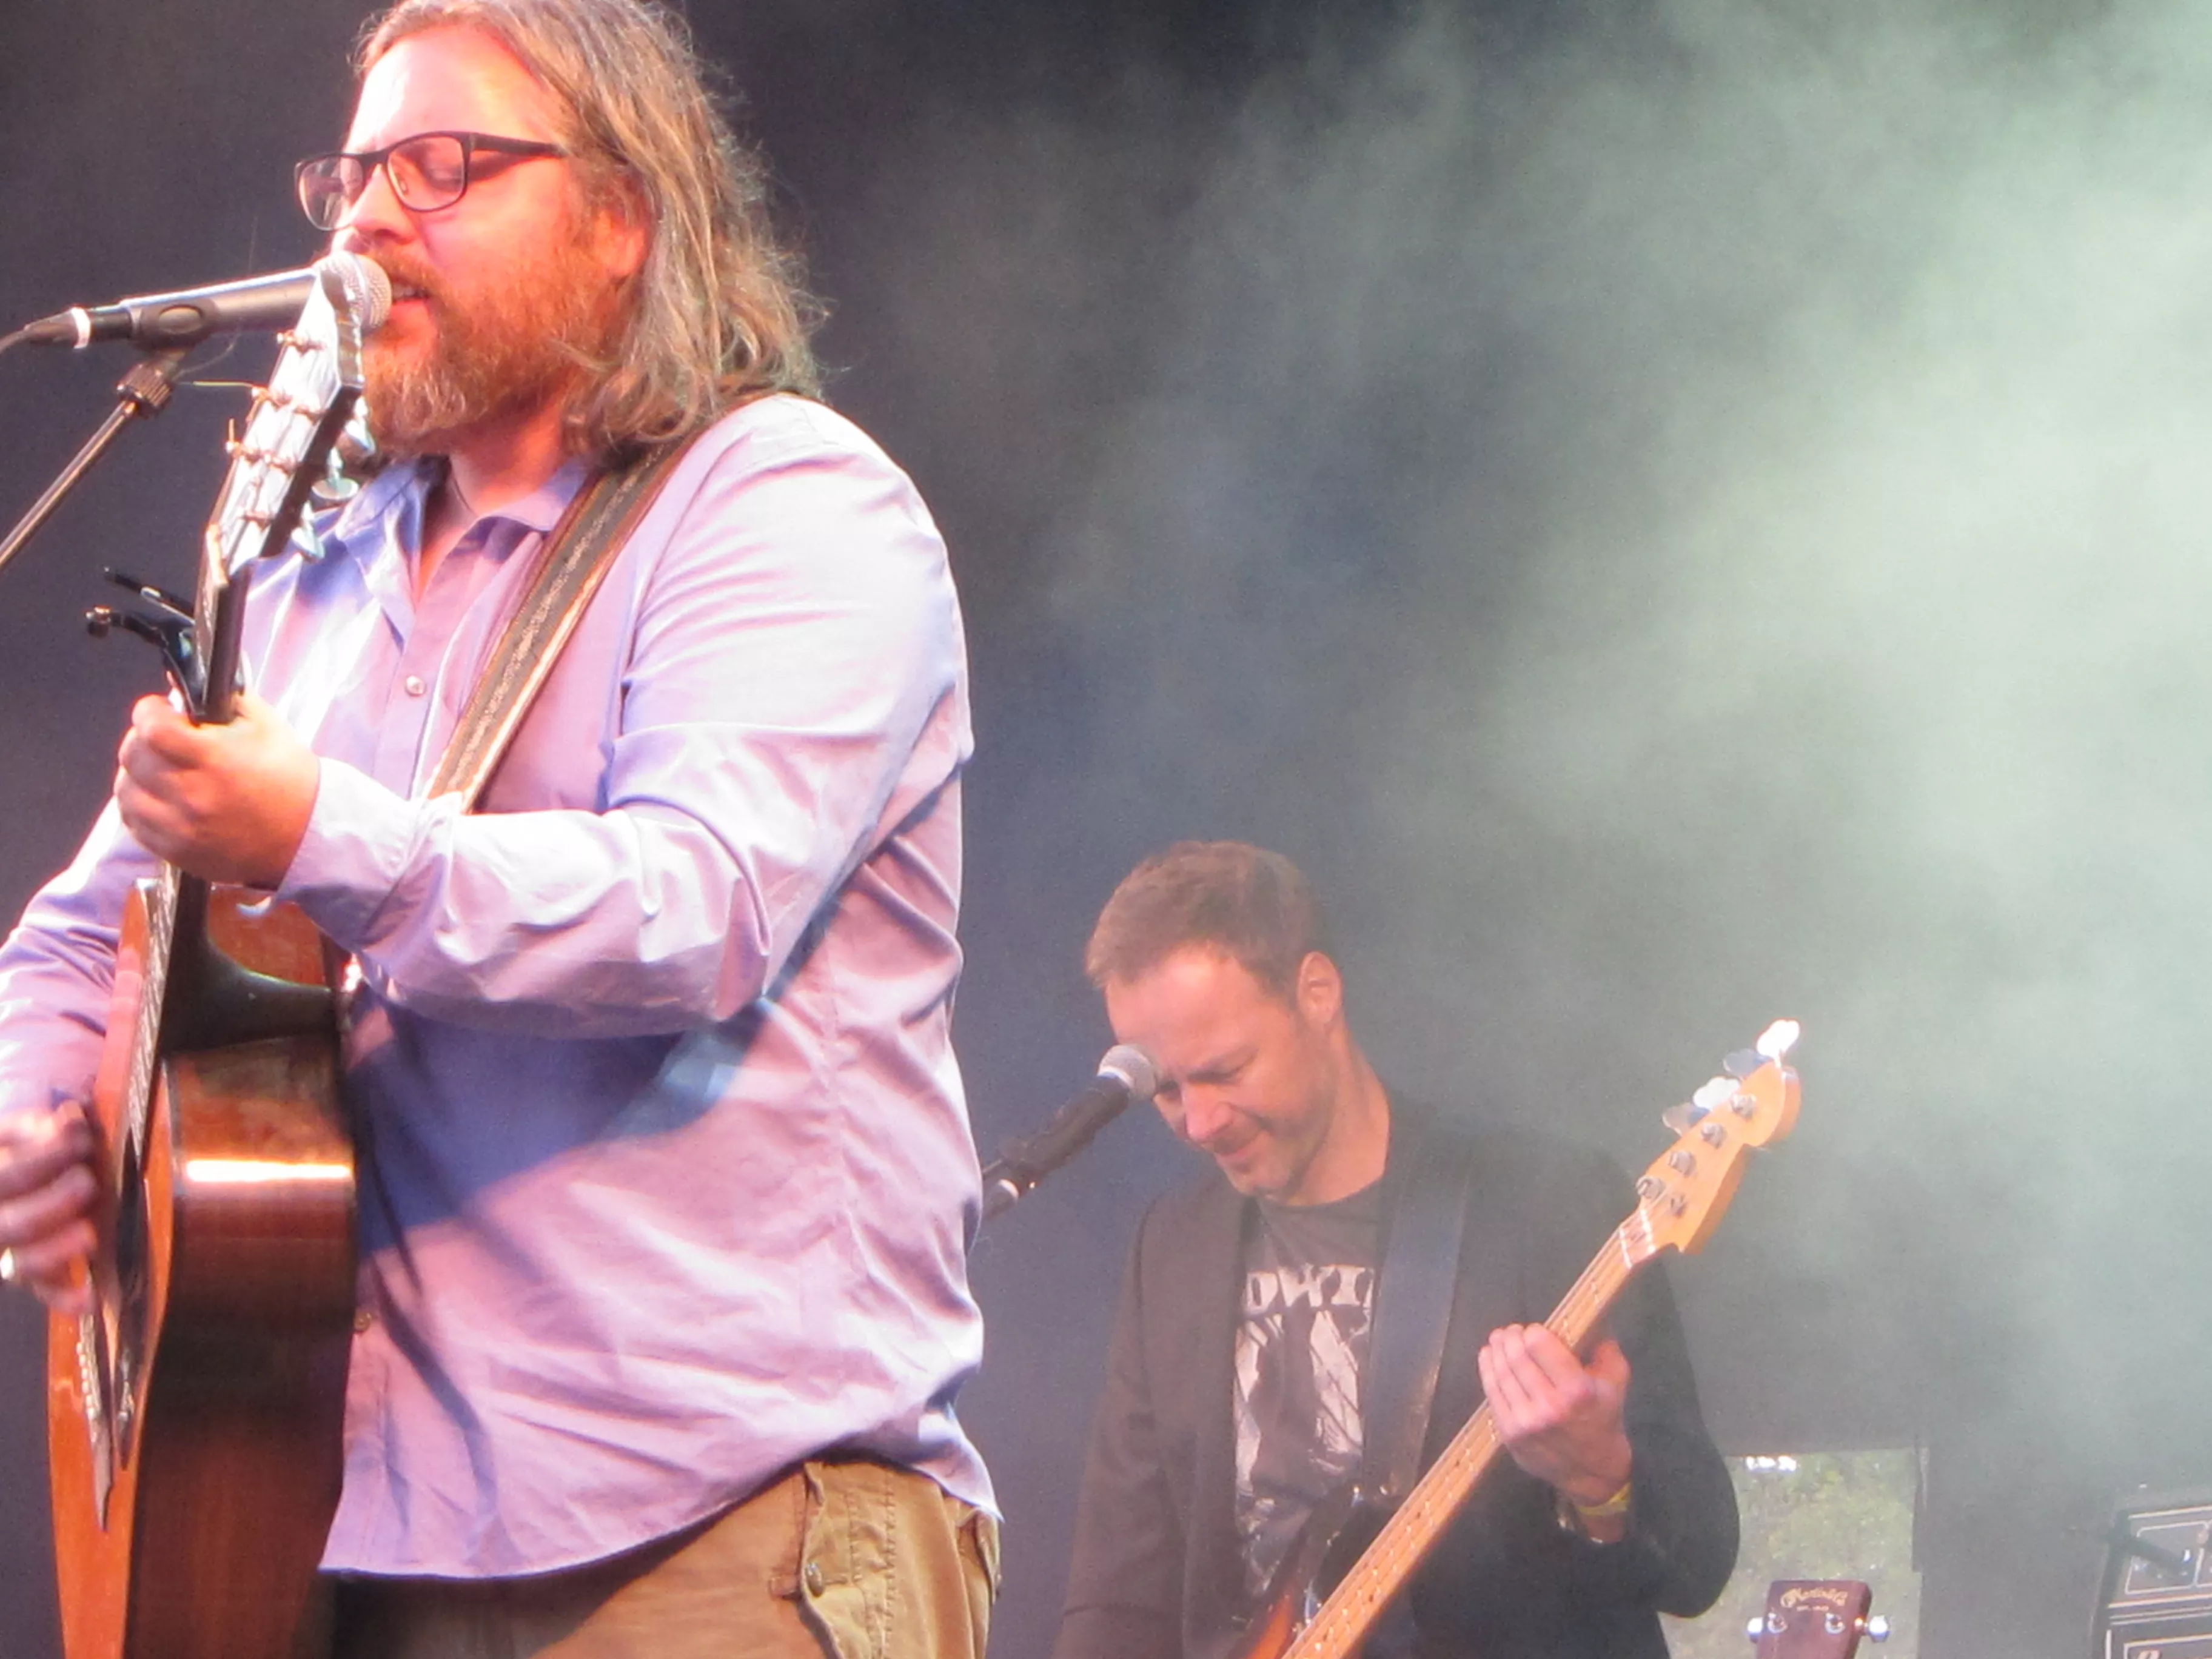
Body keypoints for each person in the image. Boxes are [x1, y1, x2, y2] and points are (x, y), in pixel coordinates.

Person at [0, 2, 997, 1654]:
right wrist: (42, 1123)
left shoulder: (785, 504)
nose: (371, 221)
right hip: (356, 1548)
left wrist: (315, 835)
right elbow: (71, 940)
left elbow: (696, 906)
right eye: (353, 177)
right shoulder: (314, 581)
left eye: (445, 166)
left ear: (621, 222)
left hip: (717, 1528)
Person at [1053, 841, 1738, 1659]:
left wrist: (1604, 1479)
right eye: (1166, 1090)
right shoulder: (1173, 1248)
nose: (1199, 1123)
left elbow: (1699, 1560)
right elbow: (1120, 1591)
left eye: (1225, 1071)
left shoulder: (1542, 1200)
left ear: (1316, 992)